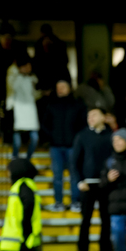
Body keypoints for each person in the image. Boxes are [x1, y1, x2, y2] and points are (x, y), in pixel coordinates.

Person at [71, 108, 113, 251]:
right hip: (87, 185)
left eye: (94, 115)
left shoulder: (110, 136)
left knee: (106, 219)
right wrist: (79, 181)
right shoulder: (82, 135)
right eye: (88, 116)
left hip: (106, 184)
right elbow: (74, 161)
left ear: (103, 117)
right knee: (85, 219)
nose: (90, 118)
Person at [42, 80, 86, 212]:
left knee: (74, 175)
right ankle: (58, 202)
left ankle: (75, 202)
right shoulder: (51, 105)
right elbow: (44, 124)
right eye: (58, 87)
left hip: (73, 146)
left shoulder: (78, 105)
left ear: (69, 88)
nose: (60, 89)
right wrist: (51, 137)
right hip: (55, 146)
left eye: (63, 87)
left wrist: (77, 140)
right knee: (57, 176)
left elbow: (83, 124)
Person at [6, 54, 41, 159]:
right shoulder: (15, 77)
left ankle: (27, 159)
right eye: (26, 66)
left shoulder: (33, 78)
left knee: (35, 138)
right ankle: (15, 157)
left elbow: (33, 94)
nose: (29, 68)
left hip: (31, 109)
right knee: (17, 141)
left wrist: (42, 93)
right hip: (19, 109)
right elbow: (13, 87)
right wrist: (20, 74)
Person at [33, 23, 71, 94]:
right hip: (43, 79)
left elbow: (64, 61)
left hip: (58, 77)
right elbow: (36, 64)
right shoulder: (38, 45)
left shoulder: (59, 44)